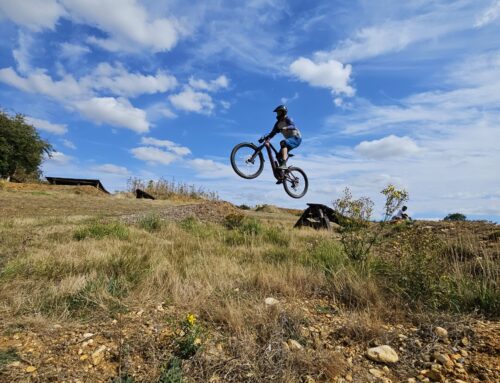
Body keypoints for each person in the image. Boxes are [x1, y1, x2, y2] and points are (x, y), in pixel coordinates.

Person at [264, 105, 302, 171]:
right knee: (278, 156)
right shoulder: (277, 124)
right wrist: (267, 139)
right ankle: (282, 175)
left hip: (296, 138)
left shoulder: (287, 119)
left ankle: (284, 164)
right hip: (289, 141)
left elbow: (293, 126)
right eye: (277, 113)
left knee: (283, 142)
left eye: (279, 112)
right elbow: (273, 133)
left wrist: (286, 127)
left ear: (283, 112)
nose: (277, 114)